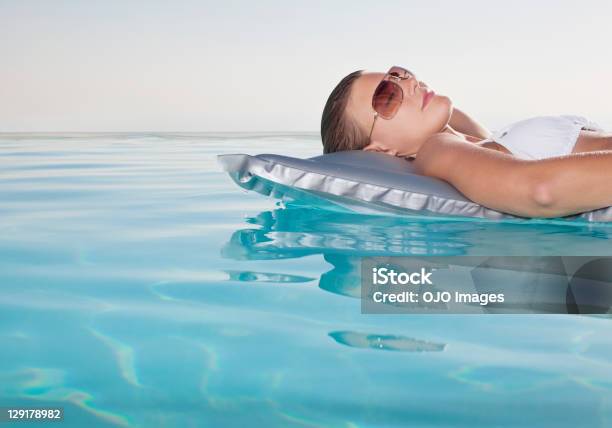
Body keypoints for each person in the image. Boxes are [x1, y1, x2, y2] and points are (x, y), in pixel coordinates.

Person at [320, 67, 612, 218]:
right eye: (386, 95)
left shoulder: (476, 140)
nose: (409, 83)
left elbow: (452, 115)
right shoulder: (437, 150)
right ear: (381, 150)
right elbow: (539, 190)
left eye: (401, 74)